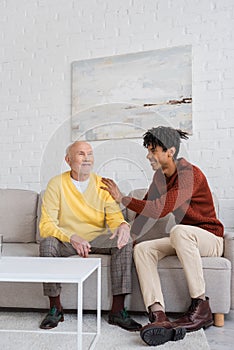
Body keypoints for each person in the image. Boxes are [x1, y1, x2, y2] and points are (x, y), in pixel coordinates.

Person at [101, 126, 224, 346]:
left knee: (178, 231)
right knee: (143, 249)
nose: (148, 155)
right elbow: (146, 213)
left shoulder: (189, 173)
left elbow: (160, 208)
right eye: (148, 150)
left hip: (209, 238)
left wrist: (122, 198)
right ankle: (158, 315)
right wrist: (128, 236)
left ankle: (201, 305)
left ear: (170, 151)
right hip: (184, 239)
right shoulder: (160, 177)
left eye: (153, 150)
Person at [39, 141, 142, 332]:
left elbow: (114, 217)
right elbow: (46, 225)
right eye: (80, 154)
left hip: (97, 238)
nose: (86, 158)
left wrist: (122, 226)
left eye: (89, 153)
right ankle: (55, 308)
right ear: (68, 160)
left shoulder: (102, 184)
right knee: (47, 243)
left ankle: (118, 311)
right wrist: (71, 237)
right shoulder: (56, 184)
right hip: (68, 240)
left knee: (125, 240)